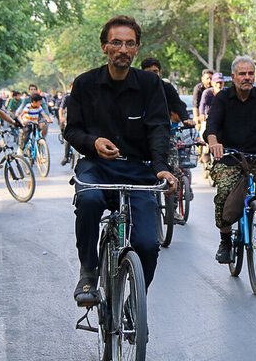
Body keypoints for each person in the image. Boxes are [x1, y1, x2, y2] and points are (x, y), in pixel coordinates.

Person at [64, 15, 177, 305]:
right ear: (104, 47)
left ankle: (135, 300)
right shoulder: (85, 83)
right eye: (116, 42)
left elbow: (159, 129)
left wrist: (162, 168)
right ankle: (89, 270)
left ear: (136, 49)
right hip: (96, 168)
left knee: (148, 245)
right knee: (88, 201)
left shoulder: (151, 84)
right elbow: (72, 130)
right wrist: (93, 142)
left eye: (129, 43)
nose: (122, 49)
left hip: (138, 172)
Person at [205, 55, 256, 263]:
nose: (247, 77)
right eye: (242, 74)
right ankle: (225, 240)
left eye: (250, 73)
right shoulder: (223, 98)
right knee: (224, 192)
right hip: (229, 157)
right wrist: (214, 143)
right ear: (233, 77)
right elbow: (211, 126)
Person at [140, 57, 194, 126]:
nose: (152, 75)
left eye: (155, 72)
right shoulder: (137, 87)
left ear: (160, 72)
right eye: (149, 72)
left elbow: (177, 103)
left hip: (161, 126)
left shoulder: (166, 87)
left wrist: (185, 118)